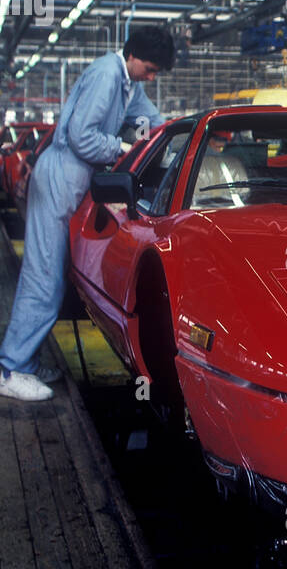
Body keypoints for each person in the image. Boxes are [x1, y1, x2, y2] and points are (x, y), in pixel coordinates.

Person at [0, 25, 175, 401]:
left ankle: (25, 362)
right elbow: (81, 136)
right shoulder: (106, 75)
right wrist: (122, 146)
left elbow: (154, 122)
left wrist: (176, 138)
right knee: (43, 276)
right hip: (60, 177)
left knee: (52, 275)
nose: (152, 75)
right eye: (150, 67)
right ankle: (10, 367)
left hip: (73, 183)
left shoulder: (130, 83)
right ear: (132, 56)